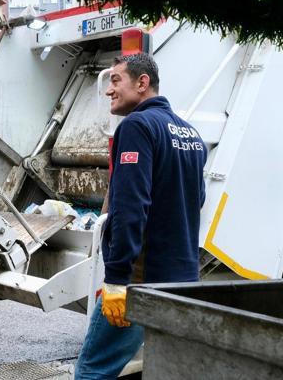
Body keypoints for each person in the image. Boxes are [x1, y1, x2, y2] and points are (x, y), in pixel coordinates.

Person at [74, 53, 207, 379]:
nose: (109, 90)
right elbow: (197, 199)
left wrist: (117, 280)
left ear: (142, 82)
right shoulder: (191, 134)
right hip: (183, 280)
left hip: (140, 281)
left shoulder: (137, 126)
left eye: (116, 79)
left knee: (93, 370)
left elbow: (130, 208)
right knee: (162, 369)